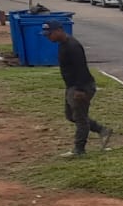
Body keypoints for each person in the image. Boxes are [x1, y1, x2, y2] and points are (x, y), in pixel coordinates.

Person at [42, 22, 112, 157]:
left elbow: (81, 68)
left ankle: (79, 149)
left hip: (81, 86)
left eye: (50, 34)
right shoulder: (62, 44)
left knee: (80, 118)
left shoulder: (73, 46)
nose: (48, 37)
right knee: (71, 116)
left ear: (59, 30)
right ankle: (102, 130)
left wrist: (80, 89)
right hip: (72, 86)